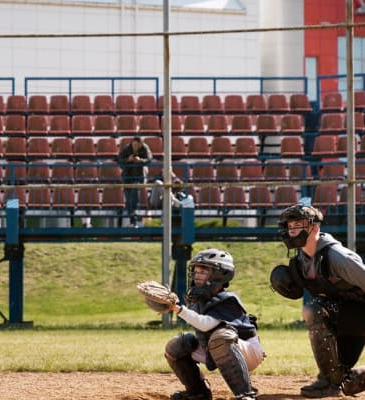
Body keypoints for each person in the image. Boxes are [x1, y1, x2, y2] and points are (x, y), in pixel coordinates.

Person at [270, 203, 365, 398]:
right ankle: (335, 380)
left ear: (314, 227)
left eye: (298, 225)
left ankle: (327, 382)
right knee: (348, 384)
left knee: (315, 310)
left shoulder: (338, 257)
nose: (292, 230)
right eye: (290, 226)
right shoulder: (301, 261)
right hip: (347, 318)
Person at [165, 248, 265, 400]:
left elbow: (206, 325)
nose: (197, 276)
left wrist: (178, 309)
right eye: (196, 271)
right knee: (177, 345)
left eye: (203, 271)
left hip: (246, 351)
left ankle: (245, 394)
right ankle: (198, 392)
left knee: (220, 336)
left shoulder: (227, 300)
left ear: (220, 275)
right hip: (216, 348)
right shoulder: (198, 299)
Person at [117, 137, 152, 226]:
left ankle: (133, 219)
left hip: (138, 177)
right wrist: (128, 160)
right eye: (134, 145)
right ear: (132, 143)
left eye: (137, 145)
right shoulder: (127, 148)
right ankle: (132, 218)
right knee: (129, 199)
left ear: (140, 144)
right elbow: (119, 160)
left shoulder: (145, 148)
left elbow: (149, 159)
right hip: (127, 176)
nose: (136, 147)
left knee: (134, 194)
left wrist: (141, 160)